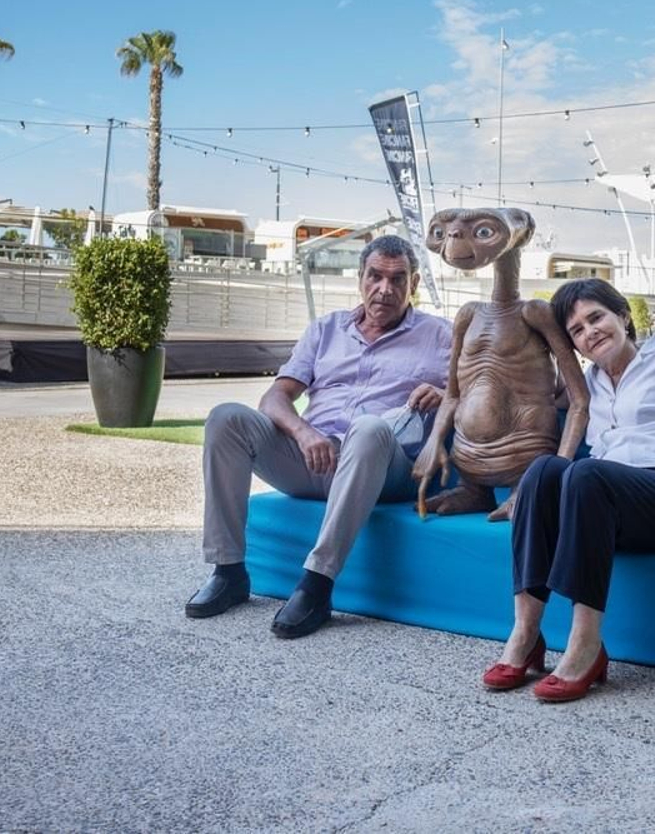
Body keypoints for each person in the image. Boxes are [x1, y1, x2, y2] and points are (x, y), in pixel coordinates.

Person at [483, 278, 655, 702]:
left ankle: (585, 645)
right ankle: (525, 634)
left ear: (624, 317)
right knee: (543, 471)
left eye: (596, 317)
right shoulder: (589, 383)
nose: (589, 331)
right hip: (610, 503)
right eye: (577, 330)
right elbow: (522, 383)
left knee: (586, 473)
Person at [184, 235, 453, 639]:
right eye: (376, 276)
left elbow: (483, 392)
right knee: (227, 419)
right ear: (360, 279)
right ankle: (229, 572)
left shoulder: (441, 335)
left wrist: (449, 394)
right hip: (316, 458)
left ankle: (316, 584)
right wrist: (304, 433)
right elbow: (275, 397)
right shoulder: (326, 329)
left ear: (413, 284)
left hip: (386, 466)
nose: (385, 289)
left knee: (368, 427)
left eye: (398, 279)